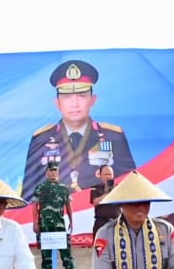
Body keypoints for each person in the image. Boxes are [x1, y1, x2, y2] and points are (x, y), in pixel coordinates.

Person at [23, 60, 136, 200]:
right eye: (67, 97)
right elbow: (28, 194)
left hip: (102, 214)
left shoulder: (112, 136)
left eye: (81, 96)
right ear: (57, 102)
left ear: (93, 99)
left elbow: (132, 185)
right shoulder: (42, 139)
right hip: (54, 217)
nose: (74, 104)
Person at [32, 161, 78, 269]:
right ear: (46, 172)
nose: (52, 172)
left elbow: (68, 205)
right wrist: (35, 222)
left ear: (58, 172)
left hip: (59, 223)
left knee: (65, 248)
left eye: (55, 170)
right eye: (50, 170)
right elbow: (35, 205)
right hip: (44, 224)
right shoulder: (40, 187)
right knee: (46, 250)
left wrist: (71, 221)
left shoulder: (63, 188)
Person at [90, 164, 120, 239]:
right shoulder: (95, 188)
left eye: (110, 174)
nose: (108, 176)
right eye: (105, 174)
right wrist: (107, 193)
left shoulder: (118, 188)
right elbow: (95, 202)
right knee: (99, 248)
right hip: (101, 222)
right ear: (100, 175)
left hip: (116, 222)